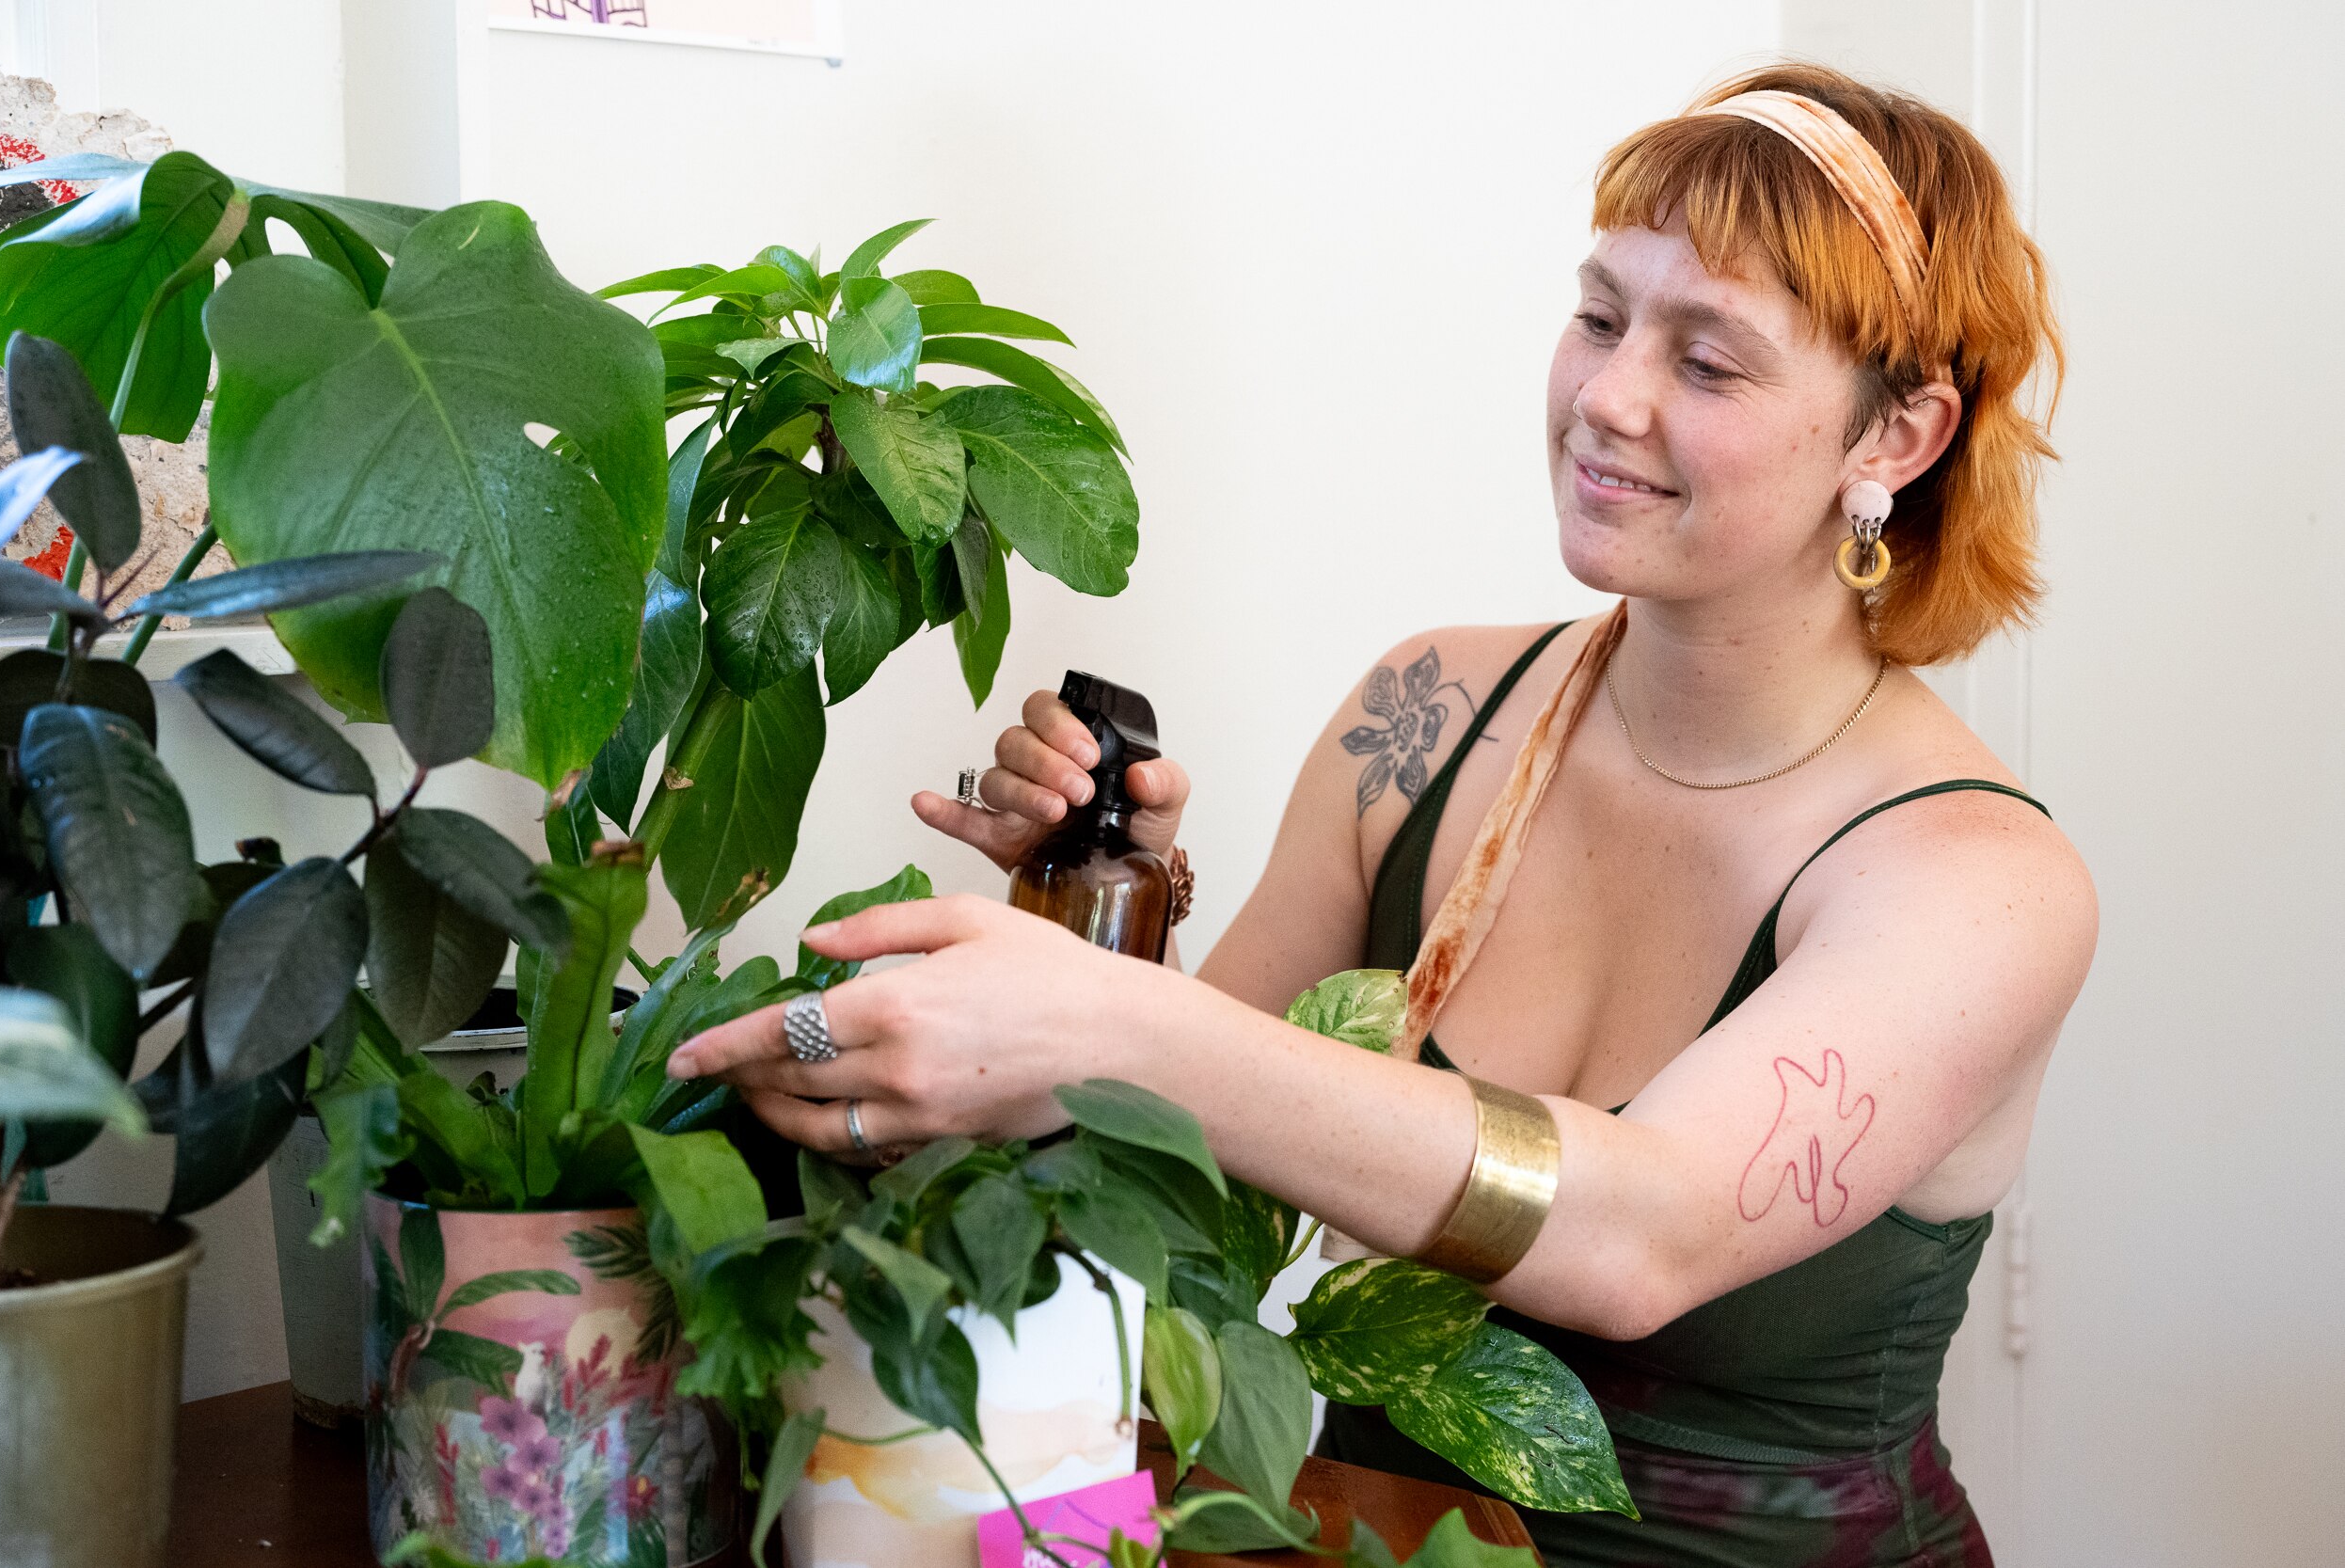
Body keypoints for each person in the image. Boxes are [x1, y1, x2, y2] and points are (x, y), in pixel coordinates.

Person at [667, 62, 2097, 1566]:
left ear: (1900, 436)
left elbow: (1637, 1235)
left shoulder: (1978, 880)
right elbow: (1156, 1171)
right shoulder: (1422, 719)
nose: (1608, 397)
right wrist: (1096, 917)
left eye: (1712, 362)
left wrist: (1103, 1023)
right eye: (1601, 315)